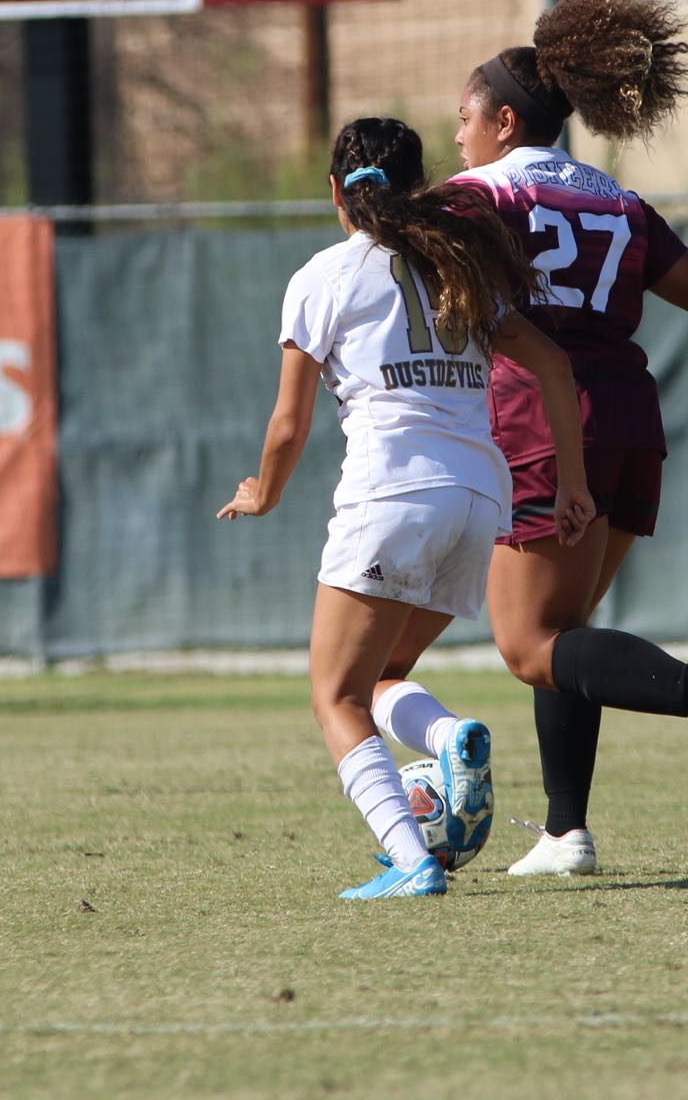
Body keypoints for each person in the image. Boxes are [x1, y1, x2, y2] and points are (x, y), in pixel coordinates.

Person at [219, 117, 594, 900]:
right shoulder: (460, 269)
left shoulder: (324, 275)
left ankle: (413, 859)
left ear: (335, 193)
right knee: (385, 674)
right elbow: (555, 366)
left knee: (336, 696)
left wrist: (263, 492)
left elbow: (289, 426)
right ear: (419, 188)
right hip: (479, 498)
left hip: (394, 491)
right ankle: (449, 735)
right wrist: (571, 485)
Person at [459, 0, 688, 875]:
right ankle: (565, 833)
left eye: (466, 118)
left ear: (506, 124)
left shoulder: (481, 195)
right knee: (566, 634)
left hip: (544, 426)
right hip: (633, 419)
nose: (458, 136)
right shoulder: (615, 199)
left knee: (527, 646)